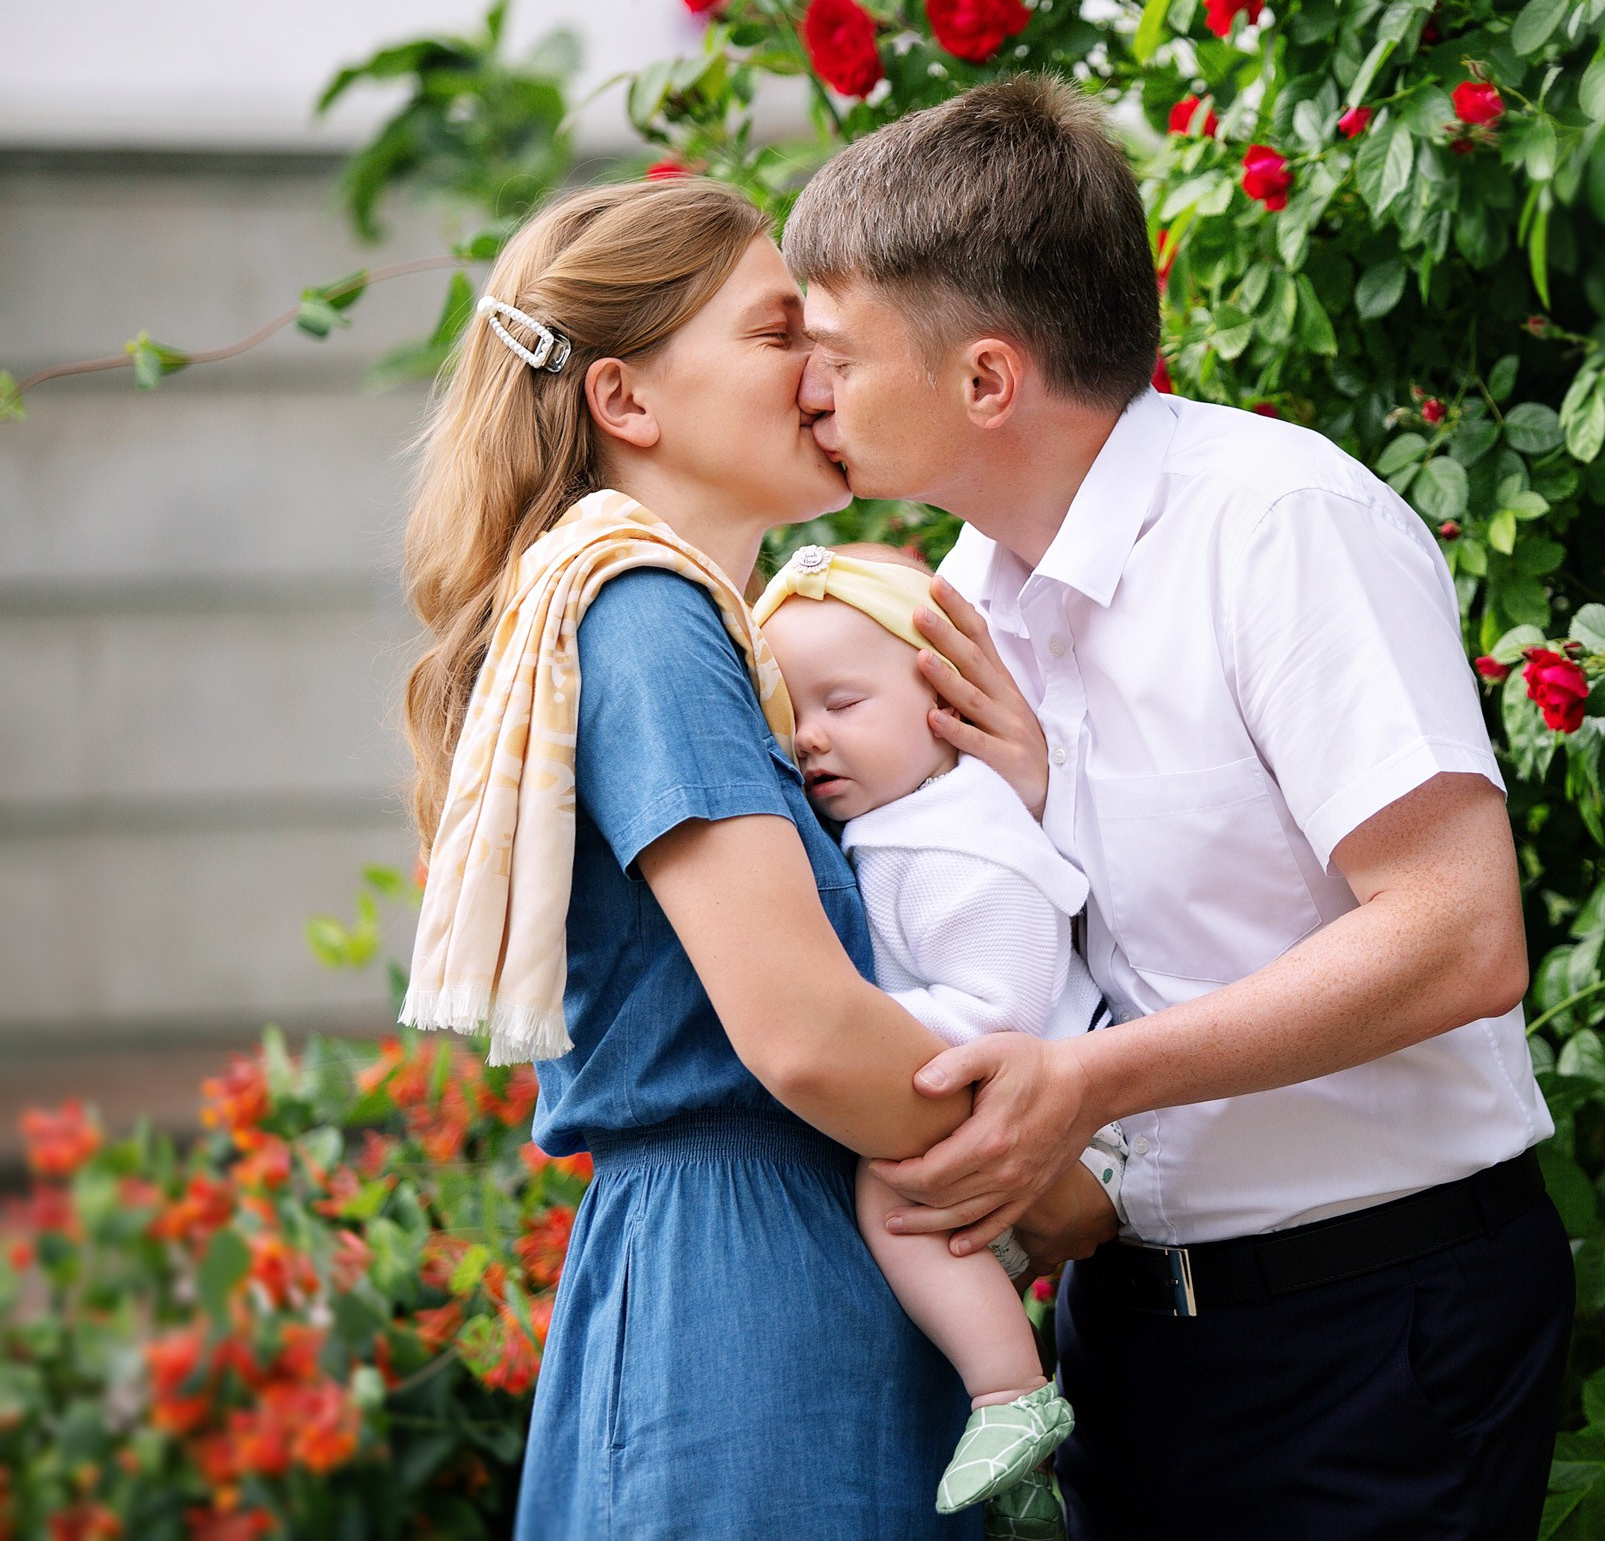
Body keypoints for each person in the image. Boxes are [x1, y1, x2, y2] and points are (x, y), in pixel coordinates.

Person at [783, 77, 1572, 1539]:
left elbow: (1462, 935)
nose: (803, 387)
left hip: (1374, 1328)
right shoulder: (950, 610)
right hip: (1124, 1341)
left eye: (834, 350)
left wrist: (1090, 1084)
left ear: (987, 378)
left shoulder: (1278, 525)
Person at [395, 177, 1099, 1539]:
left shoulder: (686, 630)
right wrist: (1053, 1182)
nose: (825, 368)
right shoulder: (649, 616)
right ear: (628, 401)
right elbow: (805, 1032)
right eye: (782, 333)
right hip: (744, 1297)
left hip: (788, 1264)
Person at [753, 541, 1127, 1535]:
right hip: (1032, 1117)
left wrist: (857, 1038)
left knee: (894, 1191)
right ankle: (1022, 1463)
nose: (811, 741)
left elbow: (999, 1003)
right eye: (790, 716)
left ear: (941, 698)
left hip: (1080, 1124)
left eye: (843, 703)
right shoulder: (904, 825)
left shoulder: (960, 839)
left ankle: (1011, 1394)